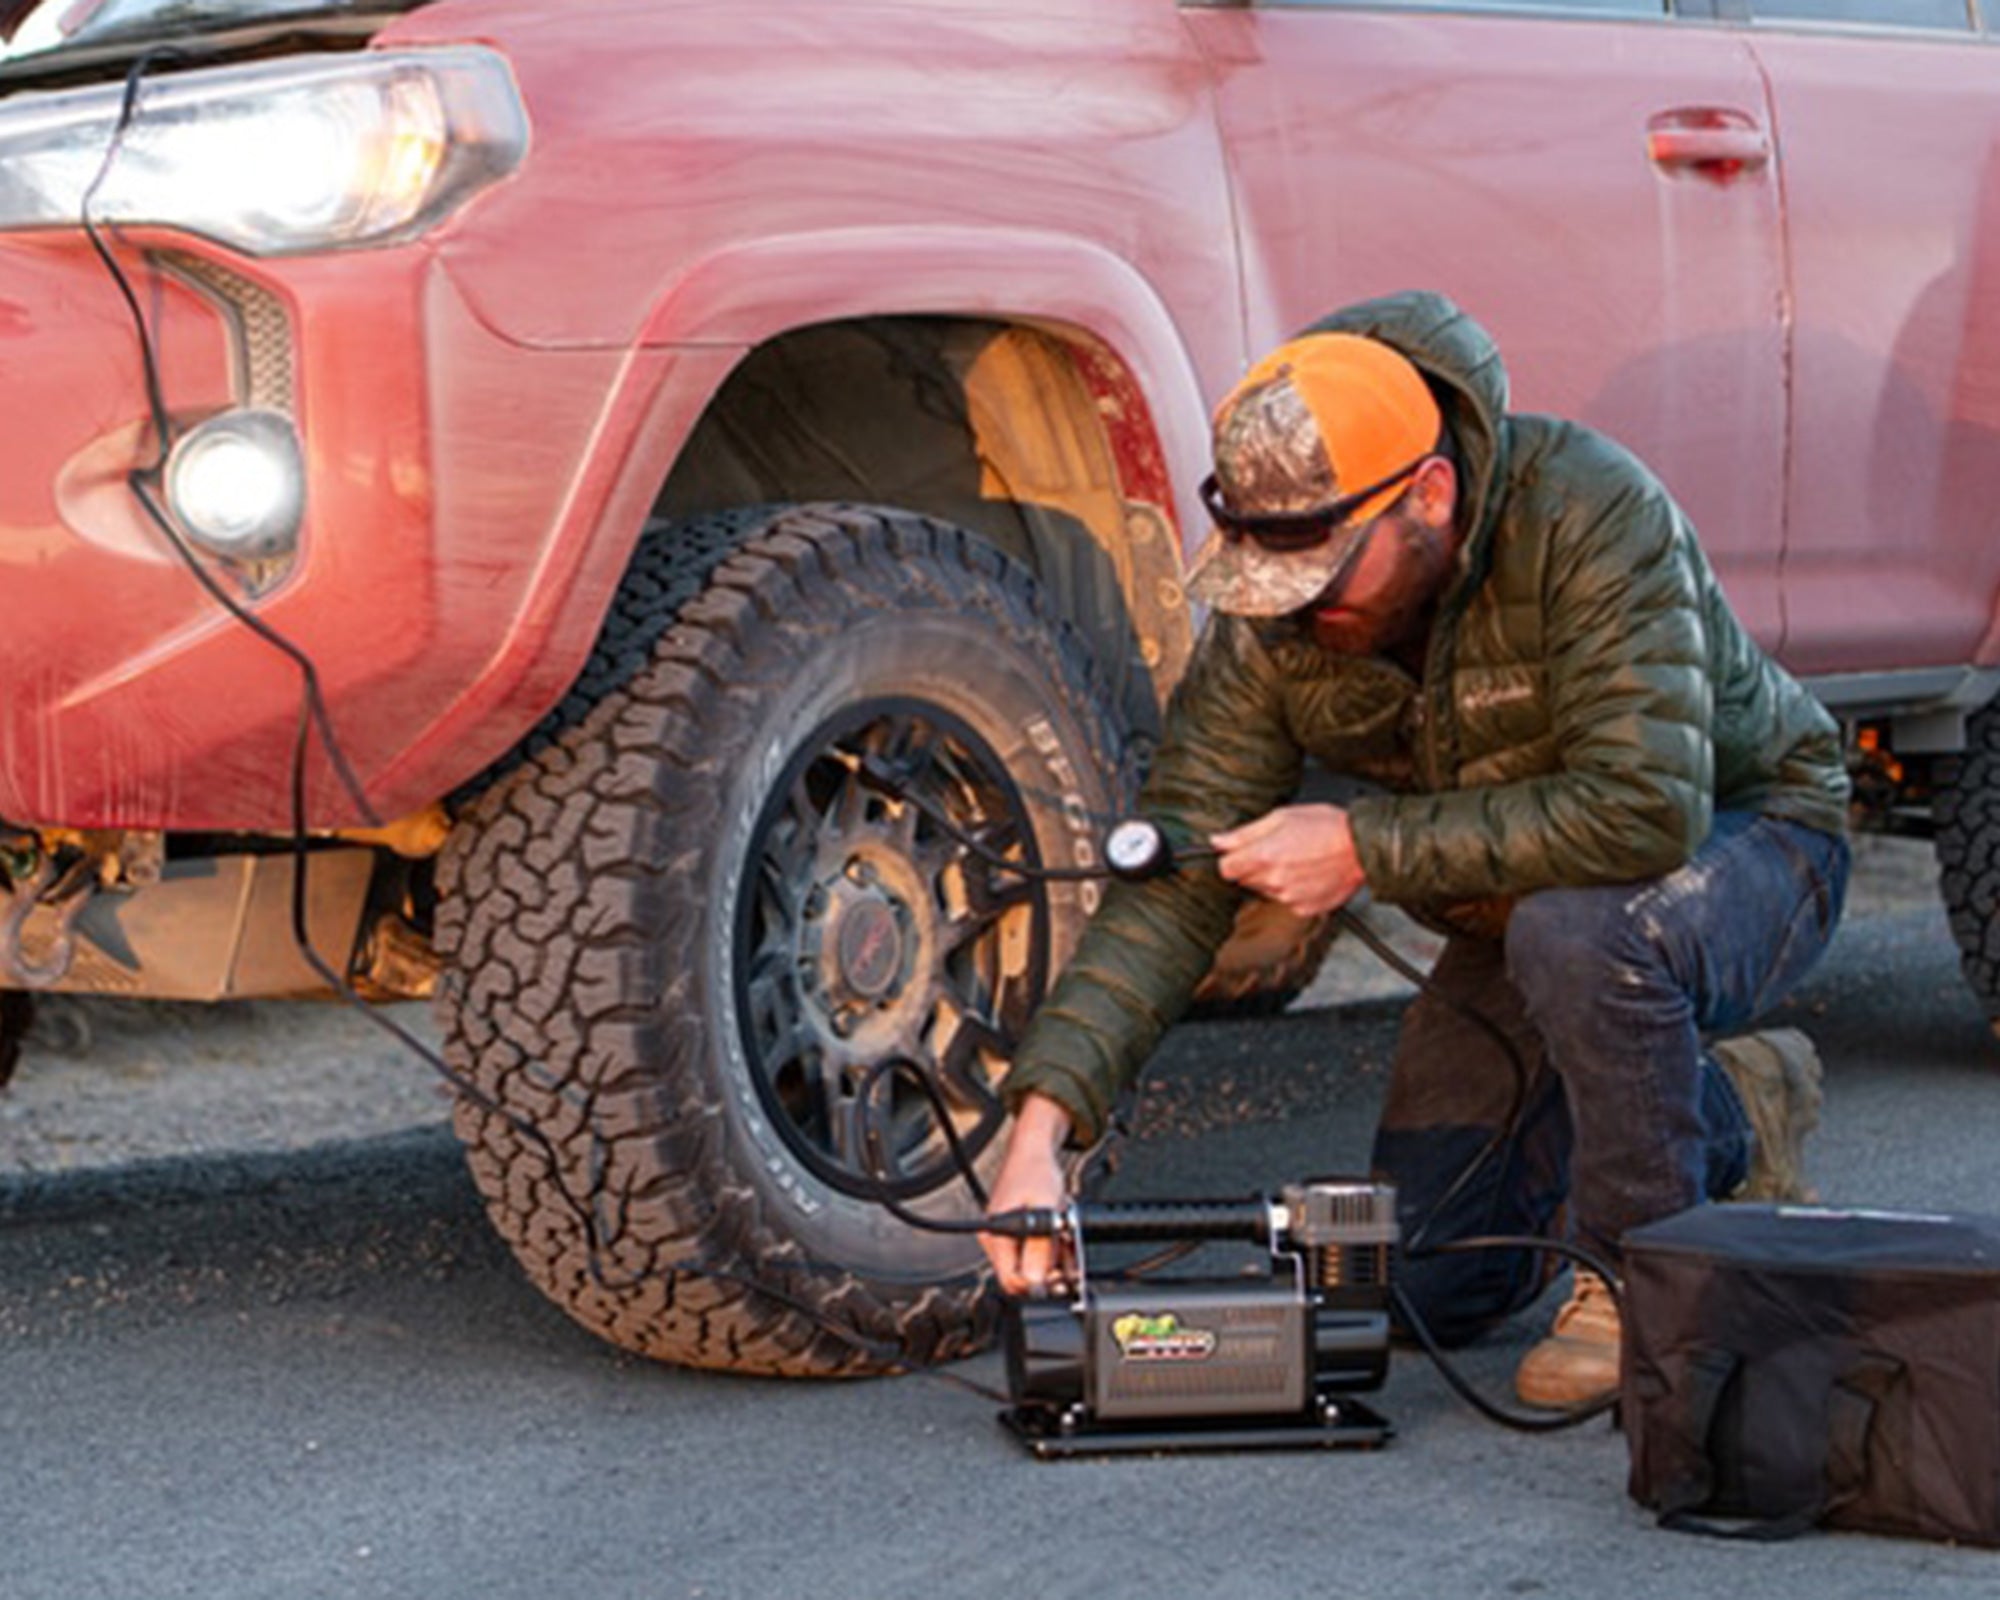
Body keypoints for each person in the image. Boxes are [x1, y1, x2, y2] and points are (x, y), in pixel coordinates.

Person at [979, 291, 1851, 1408]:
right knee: (1417, 1283)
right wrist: (1042, 1126)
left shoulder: (1587, 509)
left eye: (1323, 578)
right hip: (1520, 908)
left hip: (1743, 843)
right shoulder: (1277, 623)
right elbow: (1177, 879)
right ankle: (1723, 1101)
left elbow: (1644, 809)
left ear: (1427, 498)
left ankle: (1640, 1281)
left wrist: (1362, 845)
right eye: (1269, 582)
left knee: (1580, 931)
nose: (1296, 612)